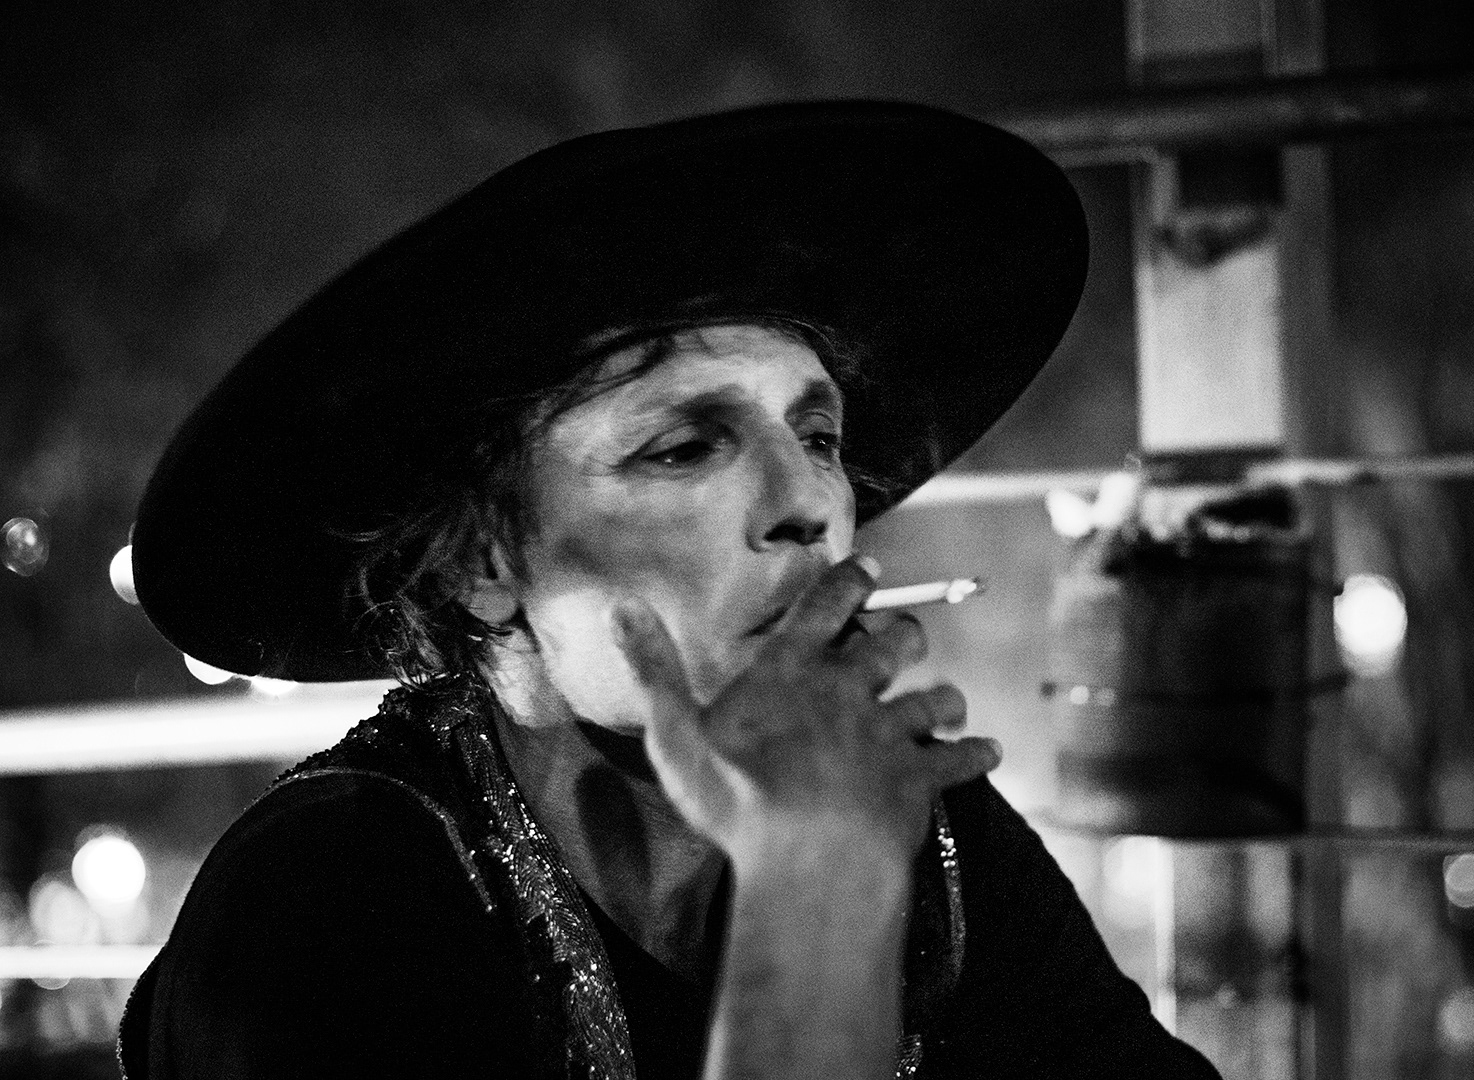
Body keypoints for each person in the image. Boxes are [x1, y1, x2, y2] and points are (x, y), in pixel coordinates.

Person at [118, 101, 1220, 1079]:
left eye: (819, 435)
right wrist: (816, 893)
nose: (810, 502)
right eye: (684, 448)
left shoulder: (915, 818)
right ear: (481, 564)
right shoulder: (329, 899)